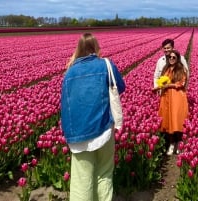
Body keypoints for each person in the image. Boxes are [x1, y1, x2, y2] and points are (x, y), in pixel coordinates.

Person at [60, 33, 126, 201]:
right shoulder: (106, 65)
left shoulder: (69, 72)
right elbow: (120, 87)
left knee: (82, 178)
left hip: (77, 133)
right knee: (104, 172)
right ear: (96, 47)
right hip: (103, 127)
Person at [156, 50, 188, 155]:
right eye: (170, 57)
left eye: (174, 57)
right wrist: (158, 87)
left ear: (178, 58)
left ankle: (178, 142)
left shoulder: (181, 69)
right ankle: (171, 143)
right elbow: (161, 80)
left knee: (177, 119)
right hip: (166, 97)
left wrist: (169, 85)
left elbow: (182, 83)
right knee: (168, 119)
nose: (172, 59)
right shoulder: (166, 69)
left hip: (177, 97)